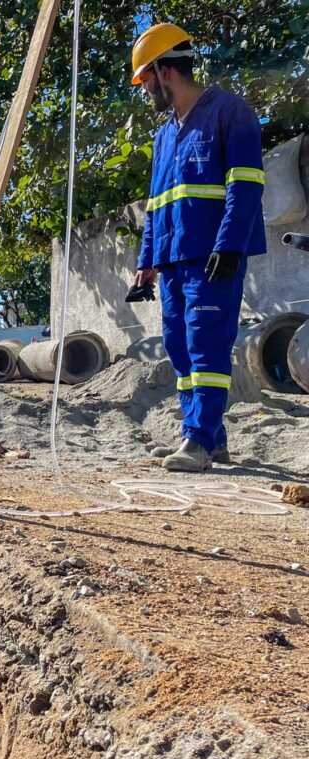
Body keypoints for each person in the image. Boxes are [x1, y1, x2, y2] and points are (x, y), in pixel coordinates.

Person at [131, 23, 266, 472]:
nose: (146, 90)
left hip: (213, 256)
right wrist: (146, 261)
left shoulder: (231, 112)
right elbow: (155, 204)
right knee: (180, 348)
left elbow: (245, 186)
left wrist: (230, 245)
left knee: (206, 347)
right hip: (172, 259)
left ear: (165, 70)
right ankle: (209, 435)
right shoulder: (164, 136)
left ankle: (198, 440)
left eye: (146, 81)